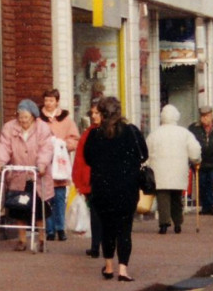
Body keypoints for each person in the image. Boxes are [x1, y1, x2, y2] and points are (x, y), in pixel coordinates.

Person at [84, 97, 147, 283]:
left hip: (102, 189)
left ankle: (109, 267)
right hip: (127, 188)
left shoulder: (94, 135)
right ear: (118, 112)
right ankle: (123, 270)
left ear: (102, 113)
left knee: (107, 228)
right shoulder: (131, 131)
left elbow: (88, 158)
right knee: (124, 230)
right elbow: (144, 154)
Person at [0, 99, 54, 251]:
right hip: (18, 173)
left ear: (34, 116)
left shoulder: (42, 128)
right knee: (18, 207)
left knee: (39, 209)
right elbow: (3, 145)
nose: (22, 120)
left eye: (26, 117)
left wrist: (42, 164)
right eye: (20, 117)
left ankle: (41, 239)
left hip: (37, 173)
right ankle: (22, 240)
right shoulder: (9, 127)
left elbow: (46, 148)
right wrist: (1, 161)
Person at [146, 104, 202, 234]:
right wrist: (197, 160)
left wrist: (146, 165)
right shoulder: (184, 133)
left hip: (160, 172)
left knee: (163, 197)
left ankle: (164, 223)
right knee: (177, 197)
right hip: (178, 171)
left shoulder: (155, 133)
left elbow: (146, 152)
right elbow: (194, 150)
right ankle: (178, 223)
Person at [38, 88, 80, 241]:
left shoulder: (66, 119)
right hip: (45, 164)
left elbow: (75, 139)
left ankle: (60, 228)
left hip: (60, 165)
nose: (48, 103)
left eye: (51, 100)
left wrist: (63, 144)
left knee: (60, 197)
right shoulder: (39, 119)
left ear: (57, 101)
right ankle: (49, 230)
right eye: (46, 100)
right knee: (46, 198)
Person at [73, 101, 103, 258]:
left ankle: (100, 245)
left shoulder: (95, 133)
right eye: (92, 113)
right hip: (93, 180)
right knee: (96, 214)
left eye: (97, 113)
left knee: (100, 214)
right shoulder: (88, 133)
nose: (94, 116)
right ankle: (96, 245)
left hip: (100, 180)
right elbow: (80, 158)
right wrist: (80, 181)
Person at [189, 106, 213, 215]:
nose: (205, 119)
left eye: (207, 116)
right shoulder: (194, 128)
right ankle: (205, 206)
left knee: (212, 183)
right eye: (203, 116)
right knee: (201, 183)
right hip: (199, 161)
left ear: (212, 116)